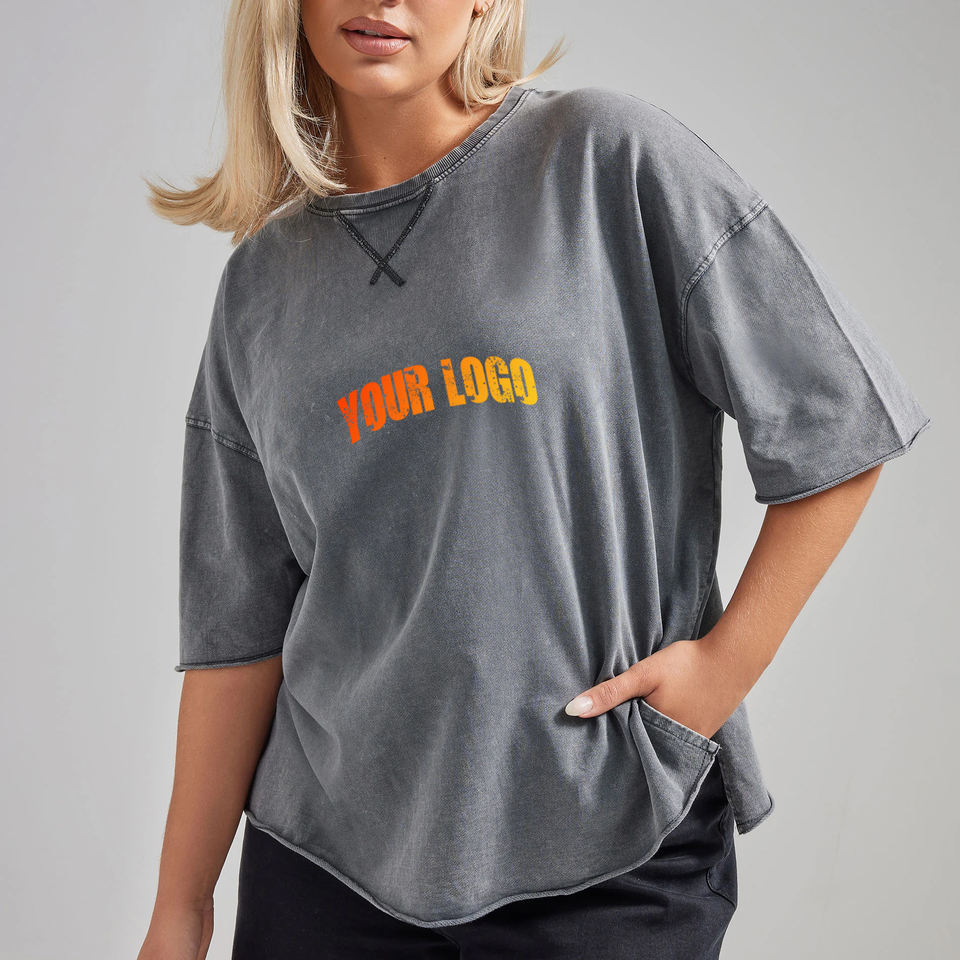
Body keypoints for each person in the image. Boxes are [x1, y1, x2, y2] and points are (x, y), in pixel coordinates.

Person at [137, 2, 932, 958]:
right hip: (326, 868)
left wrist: (717, 674)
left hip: (607, 838)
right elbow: (238, 630)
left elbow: (836, 417)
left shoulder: (605, 160)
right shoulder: (261, 286)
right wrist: (180, 906)